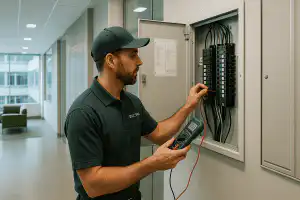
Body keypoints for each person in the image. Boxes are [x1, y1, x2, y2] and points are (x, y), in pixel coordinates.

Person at [64, 26, 208, 200]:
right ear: (111, 60)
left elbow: (159, 134)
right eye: (132, 55)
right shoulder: (83, 113)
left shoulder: (131, 102)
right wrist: (151, 164)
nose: (139, 62)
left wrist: (188, 106)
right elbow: (93, 185)